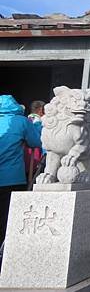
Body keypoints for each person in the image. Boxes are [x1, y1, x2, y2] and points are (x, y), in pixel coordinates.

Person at [0, 95, 42, 245]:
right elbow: (36, 141)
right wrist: (37, 127)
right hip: (12, 178)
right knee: (7, 219)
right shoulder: (21, 122)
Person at [25, 100, 45, 186]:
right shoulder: (39, 123)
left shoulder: (25, 120)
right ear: (41, 110)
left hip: (25, 158)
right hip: (36, 158)